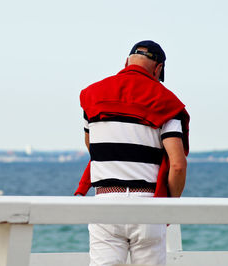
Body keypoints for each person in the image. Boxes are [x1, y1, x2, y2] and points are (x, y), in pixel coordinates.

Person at [75, 40, 190, 266]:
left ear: (126, 61)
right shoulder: (167, 102)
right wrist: (169, 207)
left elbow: (93, 147)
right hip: (148, 204)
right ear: (158, 69)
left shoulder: (92, 96)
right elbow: (177, 165)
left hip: (105, 202)